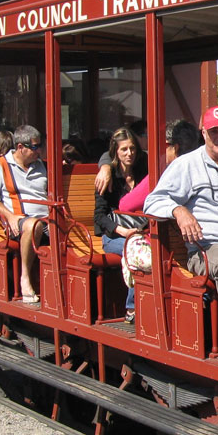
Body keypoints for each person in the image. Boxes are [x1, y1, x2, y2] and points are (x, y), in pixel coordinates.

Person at [144, 107, 218, 363]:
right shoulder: (186, 165)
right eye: (214, 131)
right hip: (206, 248)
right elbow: (151, 202)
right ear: (204, 133)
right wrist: (178, 210)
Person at [0, 124, 50, 303]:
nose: (39, 151)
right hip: (18, 221)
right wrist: (9, 215)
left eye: (39, 146)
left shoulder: (42, 166)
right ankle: (25, 277)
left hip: (48, 221)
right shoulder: (0, 165)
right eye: (35, 147)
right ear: (20, 147)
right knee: (32, 224)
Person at [92, 127, 149, 323]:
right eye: (124, 149)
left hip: (142, 231)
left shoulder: (144, 171)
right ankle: (132, 308)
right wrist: (123, 231)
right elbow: (99, 216)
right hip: (114, 235)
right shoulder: (107, 177)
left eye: (132, 148)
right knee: (135, 252)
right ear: (115, 151)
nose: (129, 153)